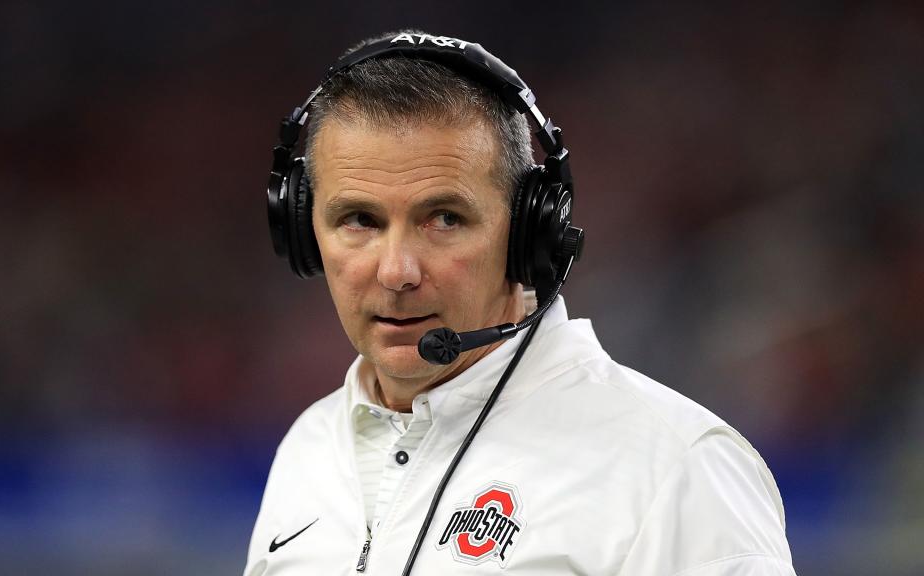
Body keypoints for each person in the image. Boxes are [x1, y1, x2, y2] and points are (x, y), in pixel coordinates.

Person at [246, 30, 796, 575]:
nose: (396, 272)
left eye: (444, 219)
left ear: (529, 235)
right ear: (301, 230)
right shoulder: (309, 449)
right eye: (359, 220)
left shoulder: (678, 469)